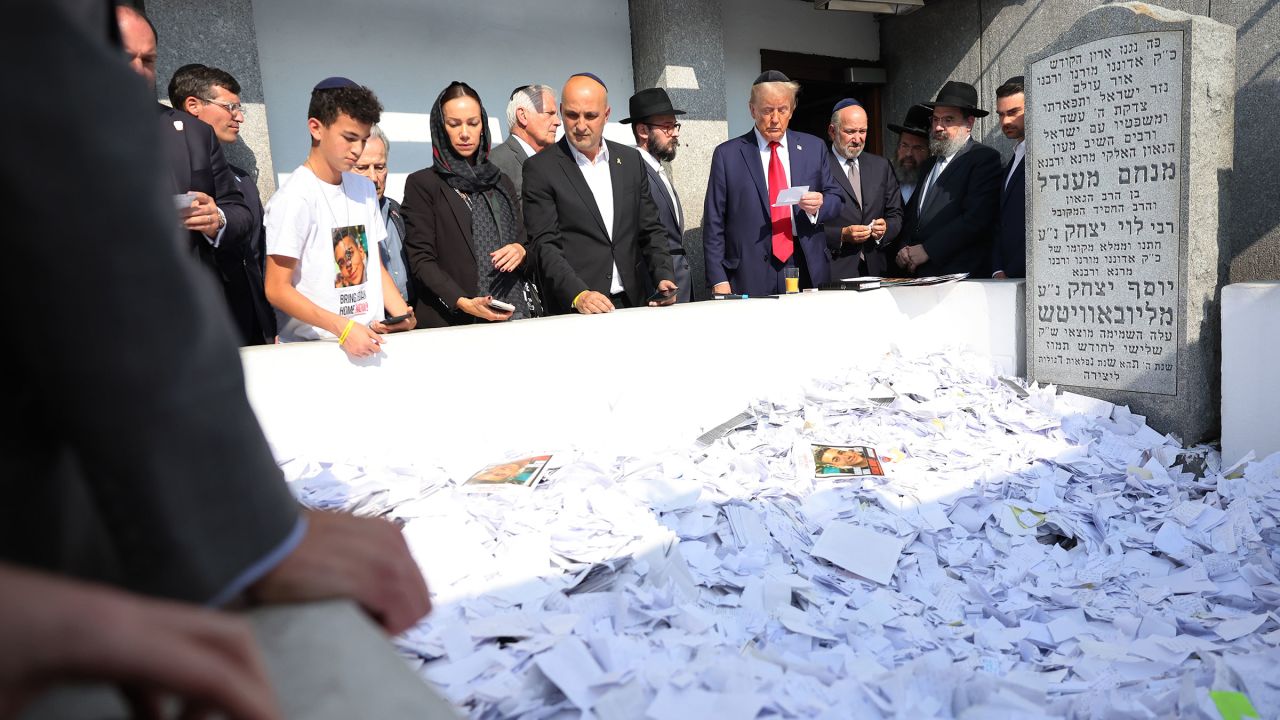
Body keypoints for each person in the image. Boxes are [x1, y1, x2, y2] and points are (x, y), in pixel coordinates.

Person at [7, 1, 433, 715]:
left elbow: (360, 253)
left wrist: (394, 307)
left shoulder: (359, 190)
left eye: (144, 58)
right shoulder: (293, 195)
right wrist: (249, 532)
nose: (127, 74)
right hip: (308, 360)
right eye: (118, 56)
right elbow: (101, 225)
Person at [117, 6, 254, 321]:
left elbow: (238, 211)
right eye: (126, 57)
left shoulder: (193, 132)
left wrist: (216, 217)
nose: (139, 70)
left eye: (148, 60)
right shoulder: (55, 132)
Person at [264, 77, 416, 357]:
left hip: (369, 342)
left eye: (362, 139)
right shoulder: (294, 198)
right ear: (316, 128)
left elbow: (373, 265)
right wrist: (342, 328)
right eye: (349, 138)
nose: (357, 149)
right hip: (314, 352)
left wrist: (401, 313)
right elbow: (276, 288)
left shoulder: (363, 188)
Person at [522, 73, 677, 314]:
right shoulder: (541, 169)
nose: (580, 125)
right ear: (562, 111)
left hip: (634, 302)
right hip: (577, 308)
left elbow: (651, 228)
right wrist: (577, 294)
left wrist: (663, 274)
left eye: (590, 116)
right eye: (572, 115)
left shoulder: (630, 160)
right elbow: (545, 245)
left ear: (606, 115)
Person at [401, 82, 536, 328]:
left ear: (483, 125)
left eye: (473, 123)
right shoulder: (424, 184)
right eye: (454, 124)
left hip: (512, 318)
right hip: (453, 323)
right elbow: (420, 259)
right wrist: (463, 301)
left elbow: (526, 241)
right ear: (441, 128)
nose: (465, 133)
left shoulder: (499, 181)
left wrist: (520, 250)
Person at [703, 71, 842, 296]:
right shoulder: (728, 155)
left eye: (782, 110)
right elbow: (714, 221)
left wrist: (820, 204)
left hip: (804, 262)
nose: (775, 118)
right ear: (752, 110)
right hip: (749, 270)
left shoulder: (813, 148)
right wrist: (718, 278)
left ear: (792, 108)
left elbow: (836, 198)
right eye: (768, 110)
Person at [168, 62, 277, 345]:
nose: (239, 117)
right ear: (193, 105)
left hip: (255, 323)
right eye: (230, 107)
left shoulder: (242, 181)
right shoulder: (168, 174)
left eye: (241, 108)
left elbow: (256, 255)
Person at [892, 81, 1002, 277]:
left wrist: (928, 250)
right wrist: (905, 249)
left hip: (957, 280)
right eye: (935, 119)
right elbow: (912, 217)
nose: (938, 127)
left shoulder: (983, 159)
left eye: (948, 120)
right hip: (919, 276)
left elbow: (975, 219)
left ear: (969, 123)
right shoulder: (929, 164)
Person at [623, 87, 692, 303]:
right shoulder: (632, 171)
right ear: (643, 131)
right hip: (657, 287)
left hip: (677, 281)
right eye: (667, 126)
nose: (675, 133)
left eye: (675, 125)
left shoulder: (657, 168)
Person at [823, 98, 903, 279]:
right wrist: (841, 235)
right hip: (833, 271)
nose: (857, 139)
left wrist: (885, 229)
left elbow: (896, 214)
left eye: (863, 131)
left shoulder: (881, 166)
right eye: (850, 131)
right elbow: (805, 223)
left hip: (876, 270)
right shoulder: (818, 167)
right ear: (832, 131)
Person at [353, 124, 413, 306]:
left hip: (408, 316)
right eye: (362, 168)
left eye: (379, 167)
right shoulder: (341, 218)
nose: (373, 177)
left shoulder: (396, 210)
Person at [490, 84, 560, 199]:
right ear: (523, 116)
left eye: (557, 115)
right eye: (550, 114)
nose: (558, 122)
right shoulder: (496, 163)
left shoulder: (555, 164)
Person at [991, 76, 1027, 279]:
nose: (1005, 121)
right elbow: (1001, 219)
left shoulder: (1045, 157)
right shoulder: (1014, 157)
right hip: (1007, 279)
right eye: (1001, 114)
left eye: (1013, 112)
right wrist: (997, 268)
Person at [888, 104, 932, 206]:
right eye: (904, 145)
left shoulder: (934, 186)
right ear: (898, 148)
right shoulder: (884, 180)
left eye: (917, 148)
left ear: (930, 152)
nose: (909, 154)